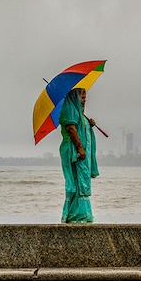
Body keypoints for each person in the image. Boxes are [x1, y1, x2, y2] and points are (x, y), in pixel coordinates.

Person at [59, 88, 99, 223]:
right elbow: (71, 129)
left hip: (81, 153)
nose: (84, 100)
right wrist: (80, 148)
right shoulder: (69, 110)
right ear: (74, 97)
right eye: (82, 97)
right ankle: (77, 216)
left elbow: (81, 129)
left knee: (82, 181)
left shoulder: (79, 113)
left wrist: (90, 124)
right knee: (77, 182)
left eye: (85, 97)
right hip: (74, 152)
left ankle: (82, 215)